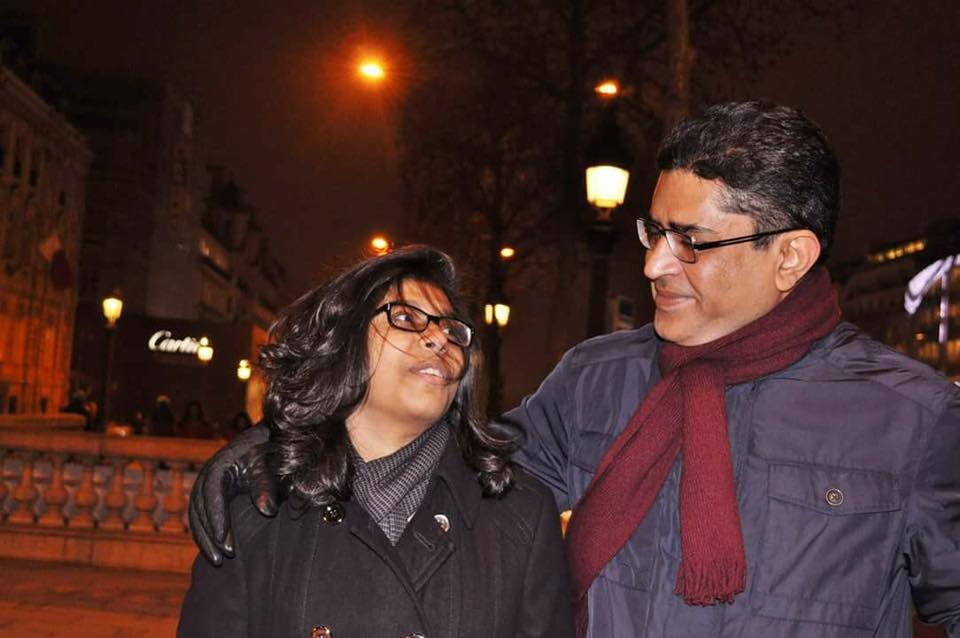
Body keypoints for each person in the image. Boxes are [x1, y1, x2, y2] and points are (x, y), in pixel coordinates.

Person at [187, 102, 960, 637]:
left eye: (691, 242)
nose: (654, 264)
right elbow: (455, 469)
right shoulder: (599, 379)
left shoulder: (912, 420)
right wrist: (284, 446)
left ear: (790, 255)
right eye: (653, 231)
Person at [178, 246, 573, 636]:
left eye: (452, 330)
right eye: (405, 317)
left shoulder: (521, 516)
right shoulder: (258, 509)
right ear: (343, 343)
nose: (440, 339)